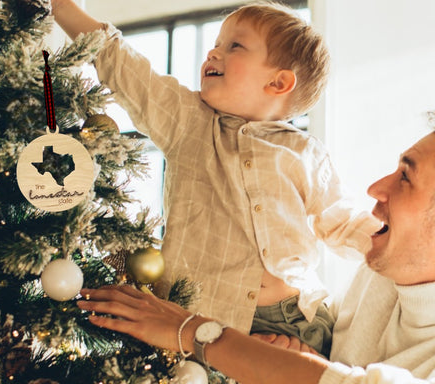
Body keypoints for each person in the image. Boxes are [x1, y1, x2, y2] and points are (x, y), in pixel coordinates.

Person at [5, 0, 381, 357]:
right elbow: (123, 64)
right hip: (200, 316)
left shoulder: (304, 152)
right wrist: (58, 0)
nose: (212, 53)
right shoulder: (189, 122)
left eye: (234, 46)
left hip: (293, 320)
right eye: (216, 43)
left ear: (278, 83)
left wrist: (399, 245)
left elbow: (342, 223)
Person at [77, 129, 435, 383]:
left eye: (405, 177)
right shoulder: (382, 272)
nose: (376, 189)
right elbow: (336, 367)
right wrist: (305, 358)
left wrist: (189, 330)